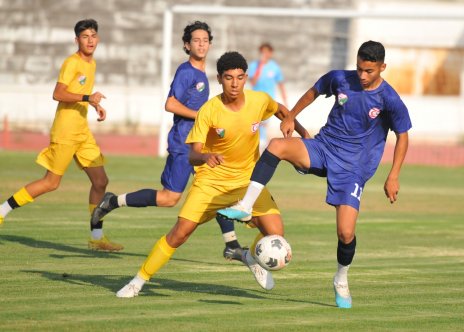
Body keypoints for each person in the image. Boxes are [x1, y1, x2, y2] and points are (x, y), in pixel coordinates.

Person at [219, 41, 412, 309]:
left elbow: (402, 136)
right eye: (359, 69)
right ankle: (246, 205)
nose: (363, 76)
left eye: (369, 71)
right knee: (277, 145)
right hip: (324, 147)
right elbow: (313, 92)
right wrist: (291, 117)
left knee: (345, 233)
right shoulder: (339, 79)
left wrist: (394, 175)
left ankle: (340, 279)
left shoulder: (389, 99)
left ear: (382, 67)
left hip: (353, 168)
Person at [115, 51, 310, 298]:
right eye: (229, 78)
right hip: (211, 183)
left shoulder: (259, 101)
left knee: (276, 233)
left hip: (247, 183)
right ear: (219, 78)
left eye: (240, 77)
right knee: (179, 234)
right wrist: (207, 157)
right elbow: (193, 154)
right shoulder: (209, 111)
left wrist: (302, 132)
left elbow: (281, 110)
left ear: (246, 78)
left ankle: (250, 257)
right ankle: (138, 281)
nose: (235, 83)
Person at [90, 22, 245, 261]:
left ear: (210, 44)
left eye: (205, 40)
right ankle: (114, 200)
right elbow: (170, 104)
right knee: (168, 198)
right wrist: (204, 116)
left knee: (217, 188)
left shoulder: (202, 73)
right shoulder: (186, 72)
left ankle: (232, 244)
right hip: (184, 144)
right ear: (186, 45)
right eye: (196, 40)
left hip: (199, 144)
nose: (201, 44)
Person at [0, 19, 123, 251]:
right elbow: (58, 93)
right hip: (66, 131)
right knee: (51, 183)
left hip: (82, 132)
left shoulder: (92, 63)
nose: (90, 40)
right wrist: (88, 99)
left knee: (100, 181)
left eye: (93, 35)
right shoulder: (71, 62)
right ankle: (2, 211)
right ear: (76, 40)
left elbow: (79, 92)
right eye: (85, 36)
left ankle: (97, 238)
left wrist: (94, 105)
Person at [247, 43, 288, 154]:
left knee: (263, 123)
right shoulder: (254, 66)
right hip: (255, 99)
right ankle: (256, 146)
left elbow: (280, 84)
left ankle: (261, 145)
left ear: (270, 53)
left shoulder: (274, 67)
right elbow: (252, 82)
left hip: (269, 101)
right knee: (255, 123)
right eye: (262, 52)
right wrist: (260, 67)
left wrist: (285, 101)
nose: (264, 54)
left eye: (266, 52)